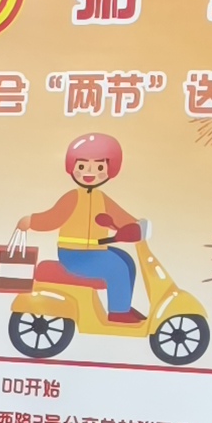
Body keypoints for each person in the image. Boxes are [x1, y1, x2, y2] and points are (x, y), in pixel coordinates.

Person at [22, 131, 148, 323]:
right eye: (82, 166)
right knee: (118, 267)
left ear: (110, 169)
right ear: (72, 166)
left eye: (99, 167)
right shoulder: (73, 197)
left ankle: (123, 305)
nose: (90, 172)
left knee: (126, 260)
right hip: (74, 254)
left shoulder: (100, 198)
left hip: (93, 252)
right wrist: (32, 221)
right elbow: (53, 218)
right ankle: (118, 312)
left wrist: (136, 225)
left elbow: (118, 216)